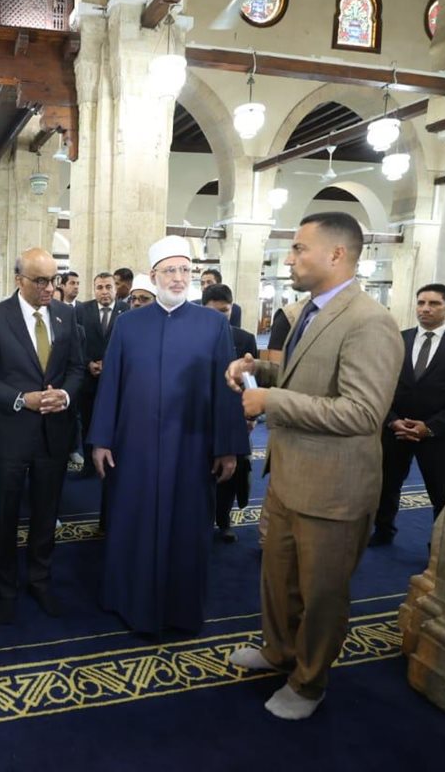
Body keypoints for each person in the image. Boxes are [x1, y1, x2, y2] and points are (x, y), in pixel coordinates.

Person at [225, 212, 402, 720]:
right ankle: (279, 652)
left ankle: (308, 682)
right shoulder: (309, 310)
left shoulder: (369, 321)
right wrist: (259, 369)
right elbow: (308, 375)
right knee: (279, 581)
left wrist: (271, 402)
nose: (290, 258)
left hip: (334, 489)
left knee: (321, 594)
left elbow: (362, 412)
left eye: (300, 248)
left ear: (336, 254)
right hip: (289, 477)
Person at [88, 237, 248, 636]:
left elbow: (226, 389)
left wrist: (228, 448)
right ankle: (130, 601)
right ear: (154, 275)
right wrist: (102, 439)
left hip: (192, 447)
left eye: (185, 270)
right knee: (135, 524)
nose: (178, 278)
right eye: (170, 270)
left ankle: (180, 609)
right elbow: (111, 384)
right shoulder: (128, 324)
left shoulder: (213, 324)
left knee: (186, 529)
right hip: (135, 447)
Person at [0, 248, 85, 626]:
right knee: (5, 515)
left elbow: (77, 369)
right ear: (19, 280)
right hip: (10, 435)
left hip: (55, 433)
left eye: (54, 279)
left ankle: (40, 579)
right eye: (40, 281)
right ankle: (6, 588)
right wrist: (21, 399)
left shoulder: (66, 315)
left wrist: (64, 395)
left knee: (46, 512)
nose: (49, 288)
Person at [370, 283, 445, 546]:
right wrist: (392, 420)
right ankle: (383, 531)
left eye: (434, 304)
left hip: (437, 434)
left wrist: (432, 426)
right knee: (386, 486)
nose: (425, 309)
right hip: (396, 429)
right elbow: (381, 384)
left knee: (441, 493)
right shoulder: (398, 339)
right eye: (421, 303)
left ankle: (436, 549)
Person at [203, 283, 259, 542]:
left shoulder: (244, 339)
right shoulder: (192, 338)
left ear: (232, 309)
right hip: (201, 416)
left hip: (233, 416)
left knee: (230, 471)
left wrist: (250, 416)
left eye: (224, 312)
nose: (219, 317)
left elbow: (252, 382)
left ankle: (224, 520)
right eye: (213, 312)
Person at [74, 273, 127, 485]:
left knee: (116, 422)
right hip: (89, 379)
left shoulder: (127, 311)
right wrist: (88, 363)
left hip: (117, 380)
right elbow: (75, 342)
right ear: (94, 289)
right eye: (99, 287)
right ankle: (88, 465)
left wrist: (110, 365)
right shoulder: (81, 310)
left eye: (108, 287)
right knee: (87, 422)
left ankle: (114, 465)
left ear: (115, 289)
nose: (104, 291)